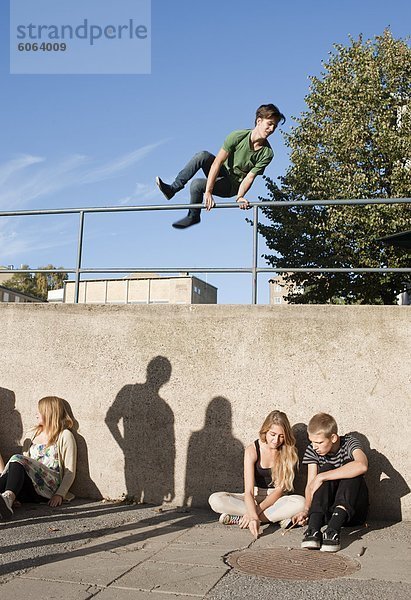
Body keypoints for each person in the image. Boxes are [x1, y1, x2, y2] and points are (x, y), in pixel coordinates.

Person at [156, 103, 285, 229]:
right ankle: (172, 189)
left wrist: (239, 197)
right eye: (269, 124)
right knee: (202, 155)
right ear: (259, 121)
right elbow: (217, 163)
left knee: (196, 184)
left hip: (232, 185)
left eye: (275, 126)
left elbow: (249, 177)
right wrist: (208, 192)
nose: (272, 129)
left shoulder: (267, 153)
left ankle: (193, 216)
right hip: (222, 171)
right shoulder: (237, 136)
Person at [208, 410, 305, 539]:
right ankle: (275, 518)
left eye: (281, 436)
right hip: (254, 495)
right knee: (215, 500)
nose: (276, 440)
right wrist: (252, 511)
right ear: (265, 431)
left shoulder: (288, 450)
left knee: (301, 503)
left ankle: (243, 519)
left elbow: (279, 491)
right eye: (273, 434)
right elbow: (248, 492)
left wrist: (254, 514)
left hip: (276, 499)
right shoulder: (252, 450)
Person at [293, 412, 369, 553]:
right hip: (326, 513)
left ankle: (333, 531)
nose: (315, 446)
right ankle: (313, 530)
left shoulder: (349, 443)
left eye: (319, 442)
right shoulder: (313, 450)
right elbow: (311, 484)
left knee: (349, 466)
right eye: (312, 442)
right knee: (326, 468)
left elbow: (362, 465)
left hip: (352, 513)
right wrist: (306, 510)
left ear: (333, 438)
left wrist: (322, 477)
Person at [0, 396, 77, 521]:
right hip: (30, 486)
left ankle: (8, 498)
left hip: (48, 489)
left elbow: (70, 470)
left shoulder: (65, 436)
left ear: (49, 413)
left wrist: (60, 494)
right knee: (15, 465)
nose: (36, 414)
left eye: (39, 411)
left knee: (16, 458)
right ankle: (8, 499)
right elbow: (19, 470)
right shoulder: (32, 434)